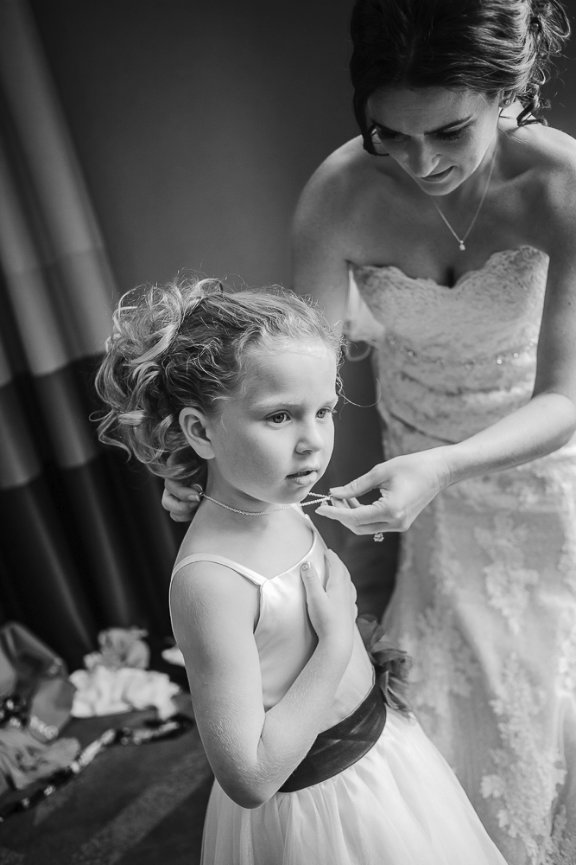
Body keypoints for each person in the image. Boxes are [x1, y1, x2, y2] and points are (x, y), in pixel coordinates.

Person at [160, 1, 576, 862]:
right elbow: (298, 373)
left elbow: (567, 392)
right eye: (391, 133)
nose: (421, 162)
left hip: (546, 465)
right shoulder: (339, 193)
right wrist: (225, 470)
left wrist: (446, 465)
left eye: (450, 132)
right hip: (422, 475)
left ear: (509, 92)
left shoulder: (563, 185)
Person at [95, 277, 509, 865]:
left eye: (324, 411)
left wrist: (192, 471)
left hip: (384, 758)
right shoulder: (211, 583)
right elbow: (250, 777)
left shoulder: (274, 498)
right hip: (324, 810)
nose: (312, 442)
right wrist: (337, 642)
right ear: (199, 431)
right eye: (280, 416)